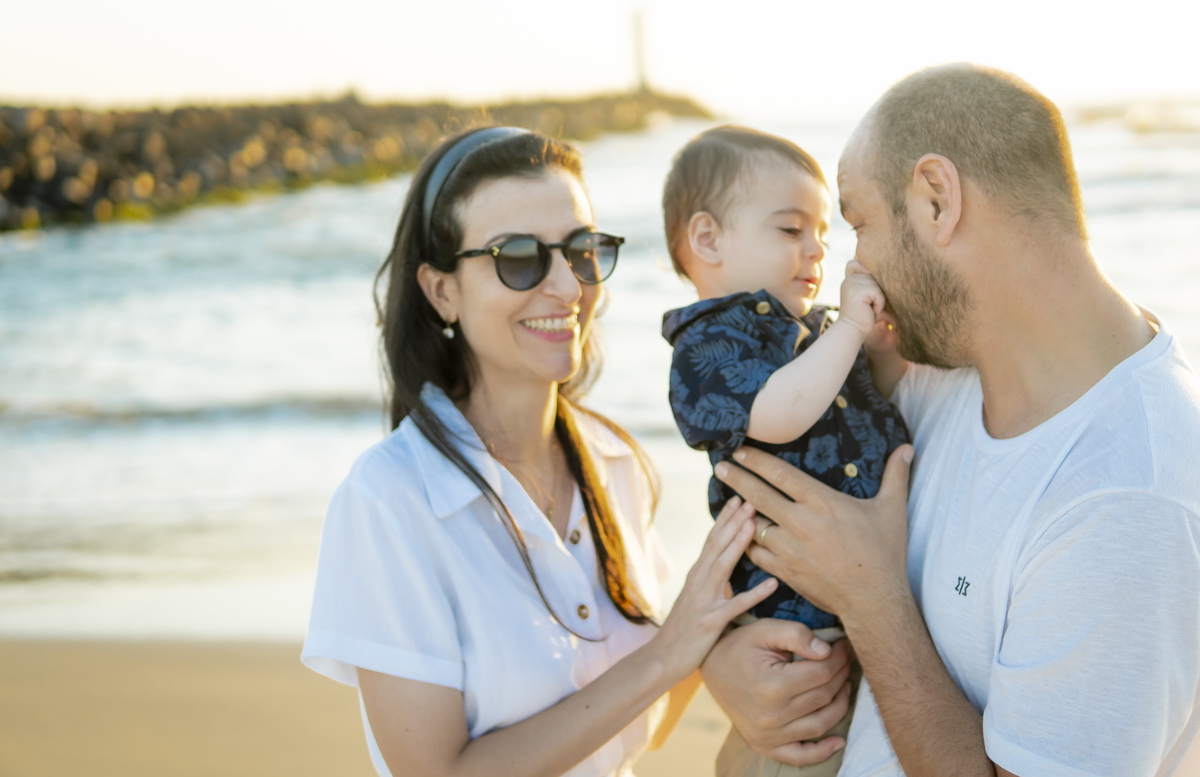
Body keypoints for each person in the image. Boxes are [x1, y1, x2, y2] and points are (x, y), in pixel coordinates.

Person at [701, 64, 1200, 776]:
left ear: (936, 199)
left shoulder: (1126, 497)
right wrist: (724, 661)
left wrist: (872, 600)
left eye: (859, 224)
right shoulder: (940, 370)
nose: (854, 265)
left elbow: (857, 575)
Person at [300, 126, 779, 777]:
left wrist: (720, 636)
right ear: (441, 291)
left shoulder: (615, 463)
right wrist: (670, 653)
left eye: (581, 250)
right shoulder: (390, 501)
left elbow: (635, 729)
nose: (567, 287)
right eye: (519, 258)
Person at [659, 125, 910, 776]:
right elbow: (780, 412)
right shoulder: (708, 346)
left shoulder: (811, 331)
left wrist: (879, 348)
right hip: (794, 627)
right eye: (791, 228)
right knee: (802, 753)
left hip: (859, 602)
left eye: (822, 232)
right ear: (707, 239)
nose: (817, 248)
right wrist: (849, 331)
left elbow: (866, 398)